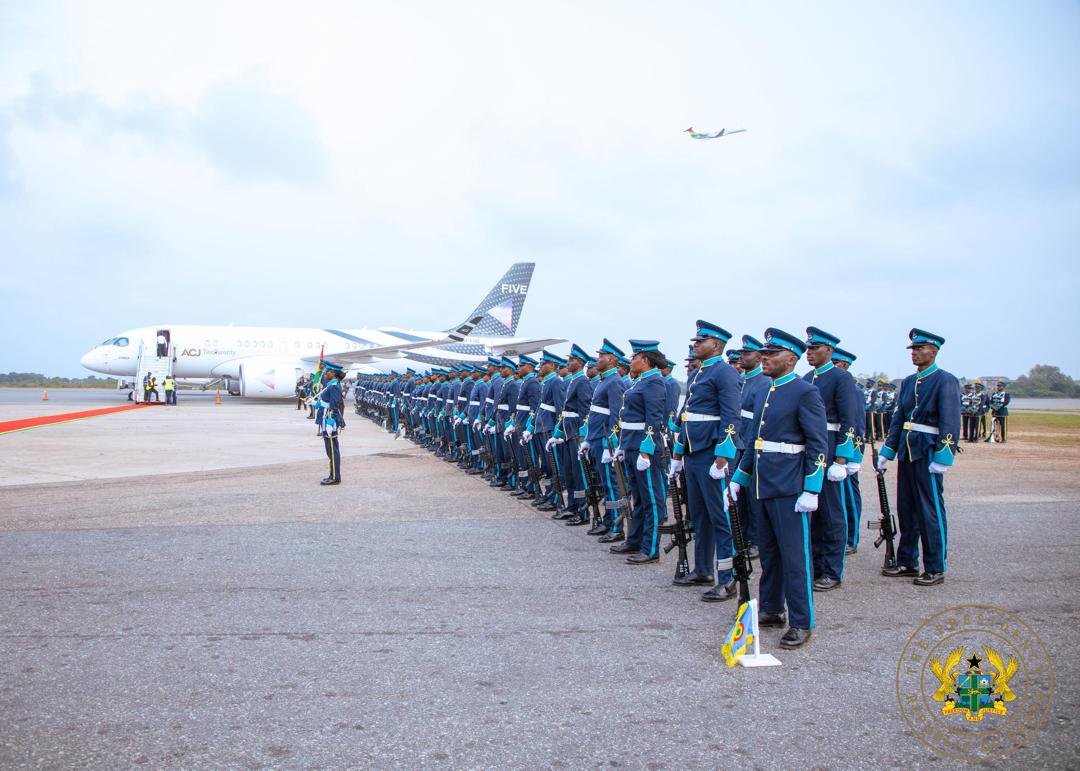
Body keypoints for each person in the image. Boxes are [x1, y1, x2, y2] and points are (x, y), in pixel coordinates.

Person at [729, 328, 828, 650]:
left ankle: (802, 620)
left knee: (795, 557)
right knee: (770, 554)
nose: (765, 358)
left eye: (772, 354)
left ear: (791, 358)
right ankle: (772, 608)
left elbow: (817, 443)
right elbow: (754, 443)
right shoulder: (765, 391)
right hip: (763, 483)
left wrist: (812, 488)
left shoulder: (804, 392)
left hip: (789, 486)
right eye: (765, 353)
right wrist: (739, 479)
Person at [876, 329, 961, 586]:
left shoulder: (945, 380)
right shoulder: (909, 382)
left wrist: (943, 457)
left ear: (933, 352)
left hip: (928, 451)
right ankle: (907, 560)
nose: (914, 353)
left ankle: (935, 566)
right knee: (907, 509)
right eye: (912, 349)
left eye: (919, 348)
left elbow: (951, 421)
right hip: (908, 450)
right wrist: (887, 450)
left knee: (930, 511)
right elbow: (899, 419)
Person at [669, 321, 741, 598]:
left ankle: (728, 577)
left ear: (717, 344)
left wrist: (723, 455)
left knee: (721, 517)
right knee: (700, 515)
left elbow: (731, 417)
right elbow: (687, 417)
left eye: (701, 341)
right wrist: (678, 452)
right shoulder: (698, 374)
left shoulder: (724, 373)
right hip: (694, 452)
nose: (695, 345)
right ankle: (702, 569)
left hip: (713, 454)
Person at [802, 327, 861, 593]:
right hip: (809, 451)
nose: (809, 353)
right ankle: (814, 565)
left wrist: (842, 459)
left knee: (832, 514)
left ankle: (832, 570)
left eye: (815, 348)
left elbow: (851, 420)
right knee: (812, 513)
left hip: (831, 448)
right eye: (808, 349)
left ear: (829, 350)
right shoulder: (806, 378)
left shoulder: (841, 378)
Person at [610, 340, 670, 564]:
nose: (630, 361)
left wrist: (646, 450)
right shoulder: (640, 382)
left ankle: (650, 548)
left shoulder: (654, 382)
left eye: (634, 358)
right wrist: (623, 446)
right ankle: (634, 540)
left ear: (645, 360)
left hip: (645, 448)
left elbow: (653, 420)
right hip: (632, 445)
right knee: (637, 496)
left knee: (651, 499)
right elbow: (628, 418)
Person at [582, 340, 627, 541]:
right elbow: (596, 414)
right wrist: (589, 439)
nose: (597, 360)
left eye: (601, 356)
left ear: (611, 360)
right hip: (597, 439)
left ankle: (617, 527)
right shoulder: (603, 381)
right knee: (604, 483)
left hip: (605, 441)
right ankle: (608, 521)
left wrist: (612, 443)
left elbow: (616, 416)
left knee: (611, 485)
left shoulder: (615, 381)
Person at [316, 361, 347, 485]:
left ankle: (335, 477)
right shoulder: (331, 384)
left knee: (332, 450)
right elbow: (326, 402)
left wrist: (331, 421)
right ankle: (333, 474)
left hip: (329, 419)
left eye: (326, 371)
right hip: (326, 416)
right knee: (330, 450)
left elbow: (334, 405)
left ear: (333, 373)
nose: (324, 373)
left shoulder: (334, 386)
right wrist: (315, 404)